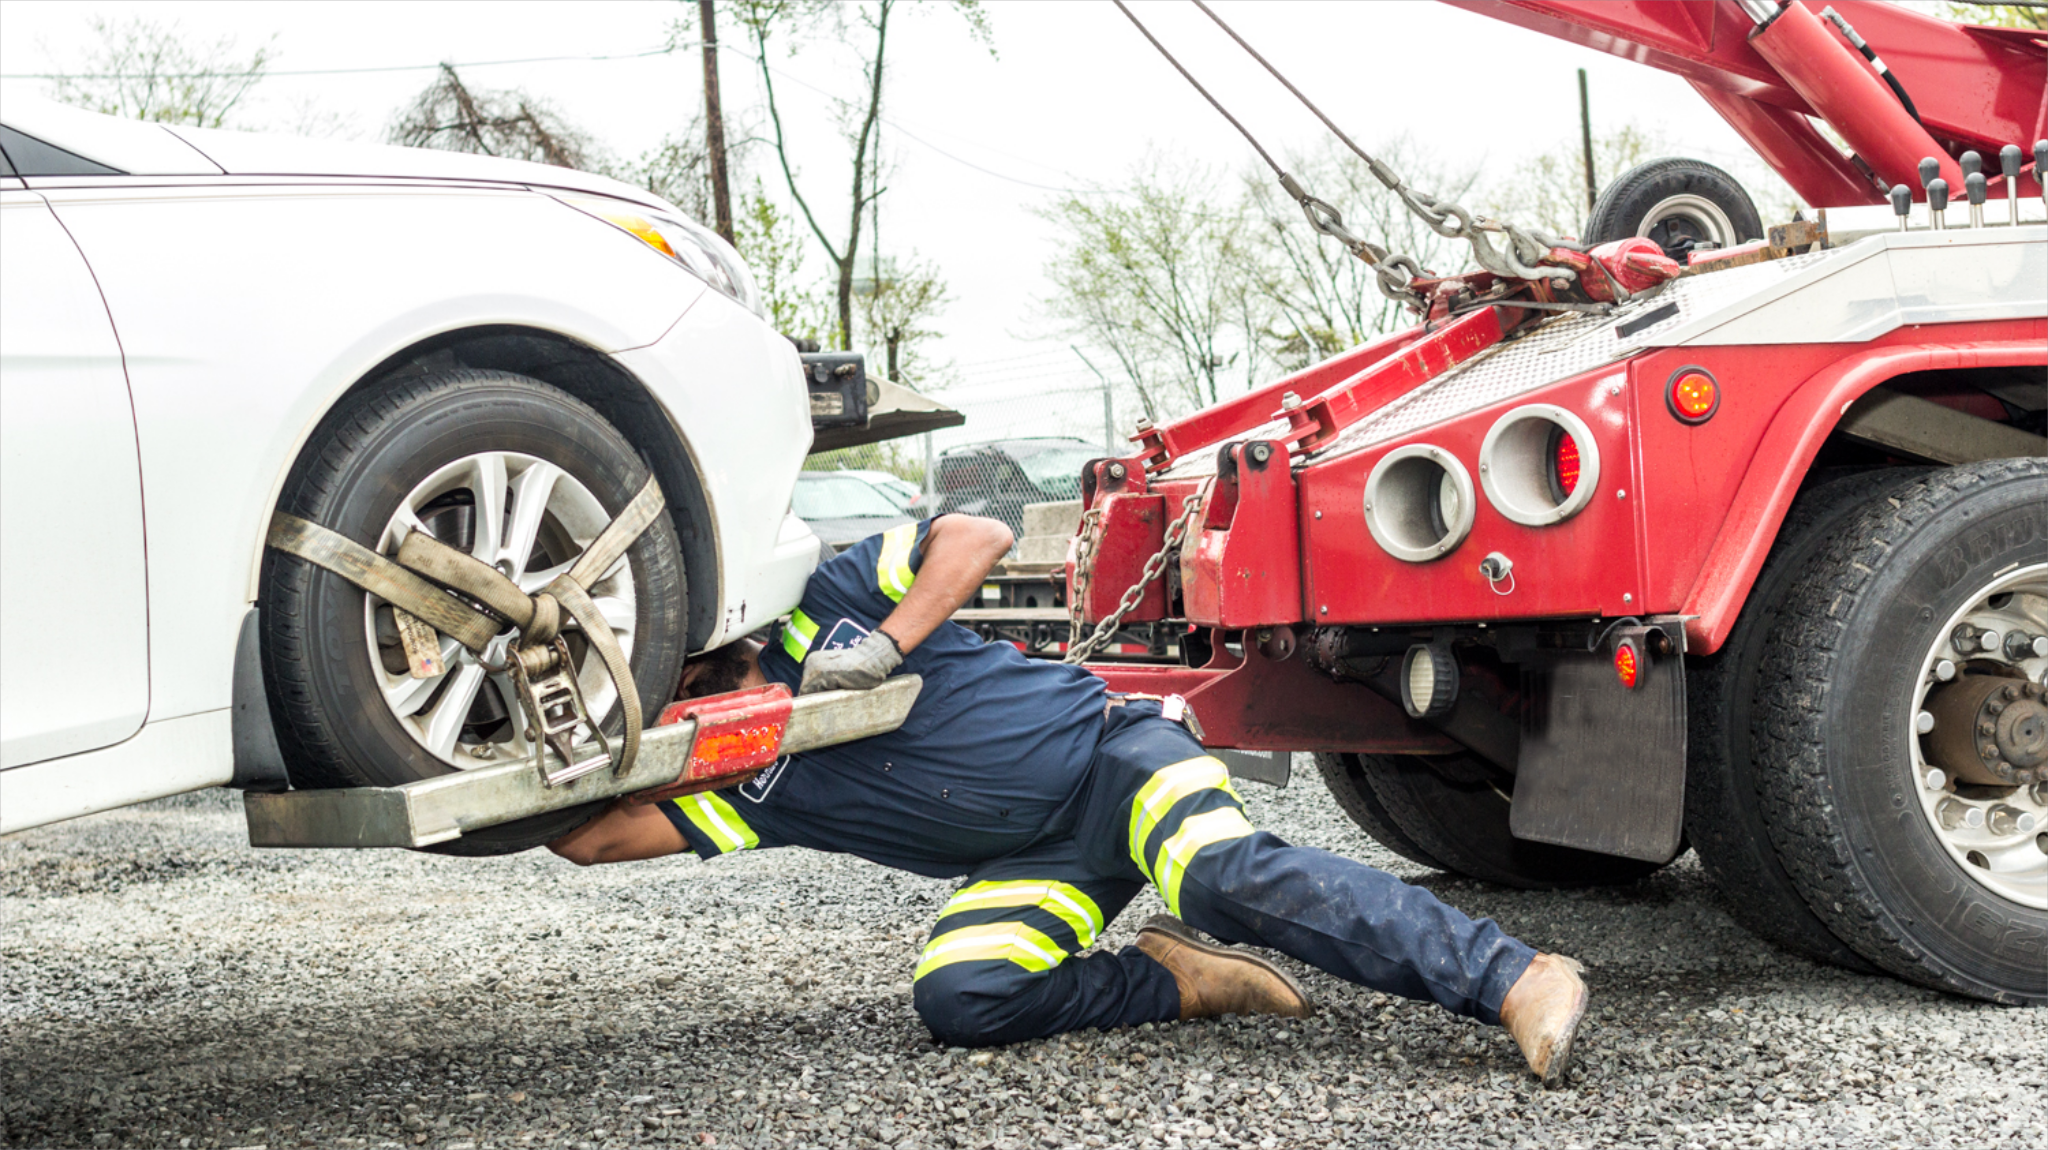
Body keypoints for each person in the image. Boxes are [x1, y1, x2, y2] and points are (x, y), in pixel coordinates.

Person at [551, 514, 1589, 1085]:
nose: (685, 705)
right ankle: (1176, 981)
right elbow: (594, 841)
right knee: (960, 999)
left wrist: (884, 644)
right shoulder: (740, 776)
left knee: (1221, 874)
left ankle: (1510, 976)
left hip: (1116, 761)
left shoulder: (826, 598)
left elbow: (976, 533)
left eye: (682, 682)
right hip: (1036, 860)